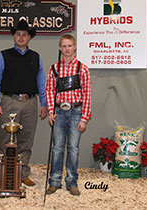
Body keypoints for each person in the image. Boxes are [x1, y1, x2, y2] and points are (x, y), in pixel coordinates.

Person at [0, 19, 48, 186]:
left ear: (29, 37)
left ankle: (22, 173)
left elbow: (41, 82)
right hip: (9, 101)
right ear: (13, 36)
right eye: (18, 34)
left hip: (30, 102)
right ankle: (1, 173)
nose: (21, 37)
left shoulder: (35, 57)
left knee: (26, 140)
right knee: (5, 140)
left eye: (24, 34)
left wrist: (44, 103)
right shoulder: (3, 55)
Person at [45, 34, 91, 196]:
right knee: (57, 148)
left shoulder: (82, 69)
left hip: (76, 112)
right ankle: (54, 181)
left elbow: (87, 94)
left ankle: (72, 181)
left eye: (70, 45)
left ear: (75, 47)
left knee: (73, 148)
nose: (67, 49)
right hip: (59, 112)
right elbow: (49, 90)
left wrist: (84, 118)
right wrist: (51, 111)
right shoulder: (54, 69)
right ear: (60, 48)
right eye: (64, 46)